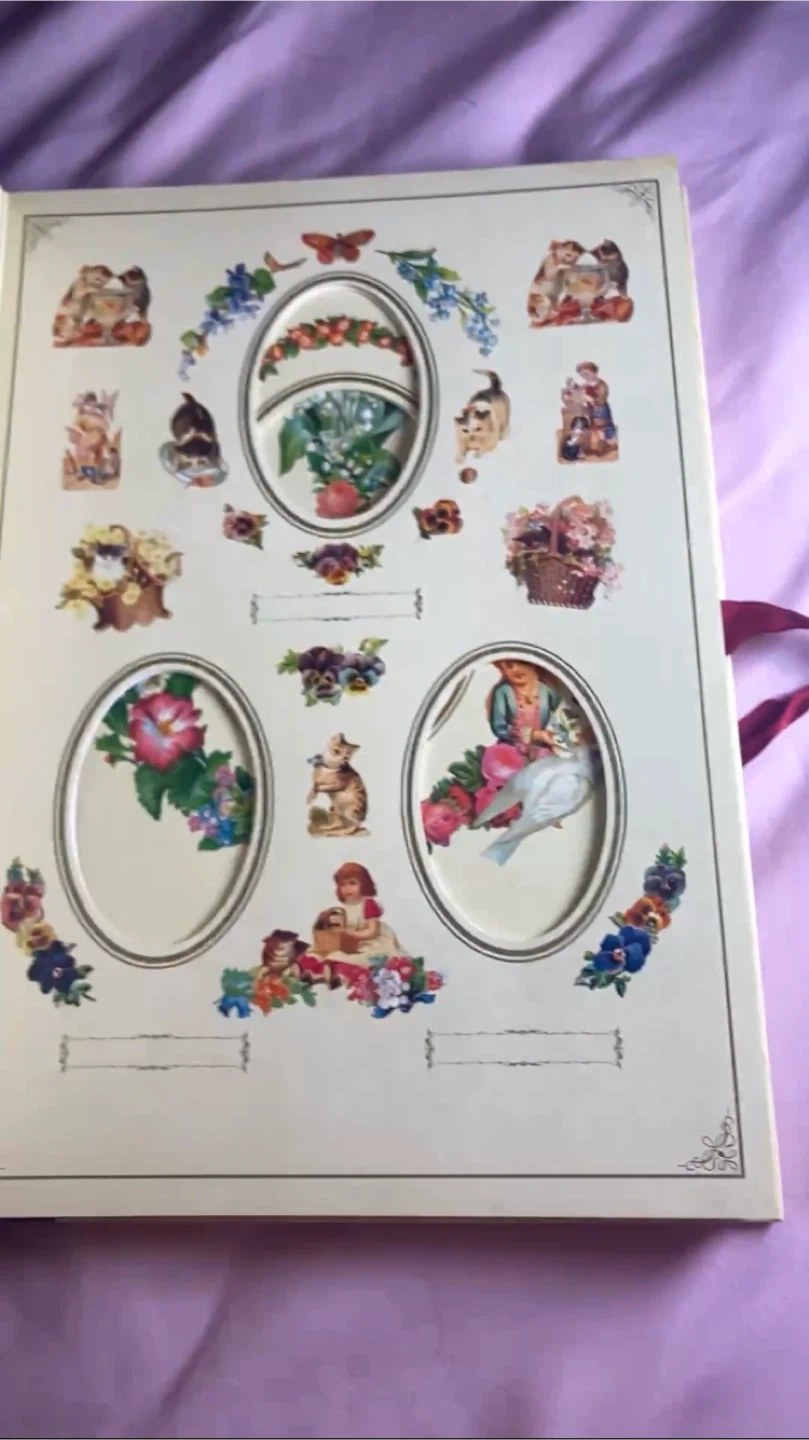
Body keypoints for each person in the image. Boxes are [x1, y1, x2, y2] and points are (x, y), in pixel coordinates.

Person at [312, 862, 403, 966]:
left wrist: (348, 933)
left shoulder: (368, 904)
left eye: (352, 883)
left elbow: (372, 933)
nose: (347, 888)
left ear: (364, 884)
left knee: (346, 958)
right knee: (319, 954)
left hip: (370, 943)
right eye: (343, 885)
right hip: (350, 944)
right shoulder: (345, 907)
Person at [487, 660, 563, 760]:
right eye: (509, 666)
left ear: (533, 664)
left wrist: (550, 735)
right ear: (502, 670)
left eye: (522, 663)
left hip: (542, 747)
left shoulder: (547, 691)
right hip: (511, 747)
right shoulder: (503, 692)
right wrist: (531, 734)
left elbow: (561, 715)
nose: (515, 669)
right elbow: (499, 727)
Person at [576, 362, 616, 448]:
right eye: (582, 375)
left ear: (595, 372)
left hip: (601, 410)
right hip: (591, 409)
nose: (585, 377)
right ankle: (598, 443)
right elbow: (579, 390)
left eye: (587, 374)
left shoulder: (602, 385)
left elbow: (601, 400)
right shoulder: (586, 384)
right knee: (594, 427)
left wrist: (589, 399)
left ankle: (609, 442)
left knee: (604, 427)